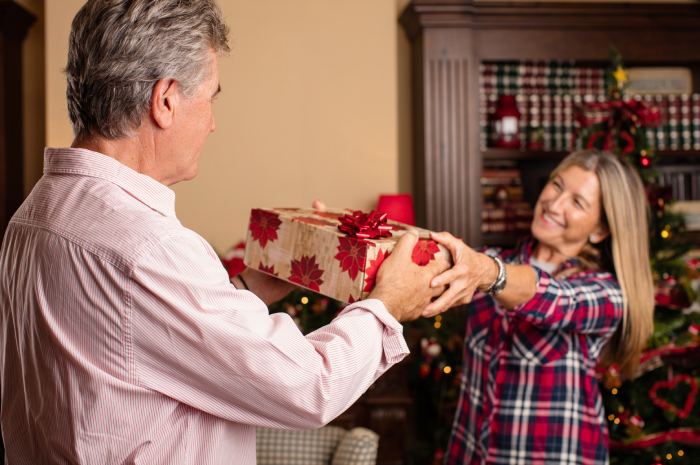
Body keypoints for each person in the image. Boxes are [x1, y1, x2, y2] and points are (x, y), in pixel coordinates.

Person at [0, 1, 448, 463]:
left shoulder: (32, 215)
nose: (213, 122)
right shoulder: (149, 248)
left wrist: (246, 289)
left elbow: (130, 342)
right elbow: (310, 387)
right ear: (166, 100)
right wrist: (387, 306)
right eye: (211, 97)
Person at [422, 150, 654, 465]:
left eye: (577, 202)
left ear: (600, 231)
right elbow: (421, 264)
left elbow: (557, 298)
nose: (554, 204)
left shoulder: (606, 294)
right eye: (556, 186)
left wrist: (488, 274)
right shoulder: (485, 260)